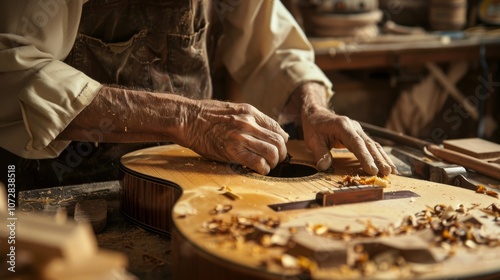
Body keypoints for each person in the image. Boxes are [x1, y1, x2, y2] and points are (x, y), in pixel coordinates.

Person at [0, 0, 396, 189]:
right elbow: (12, 70)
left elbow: (273, 45)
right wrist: (187, 119)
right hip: (54, 185)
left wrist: (313, 106)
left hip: (187, 185)